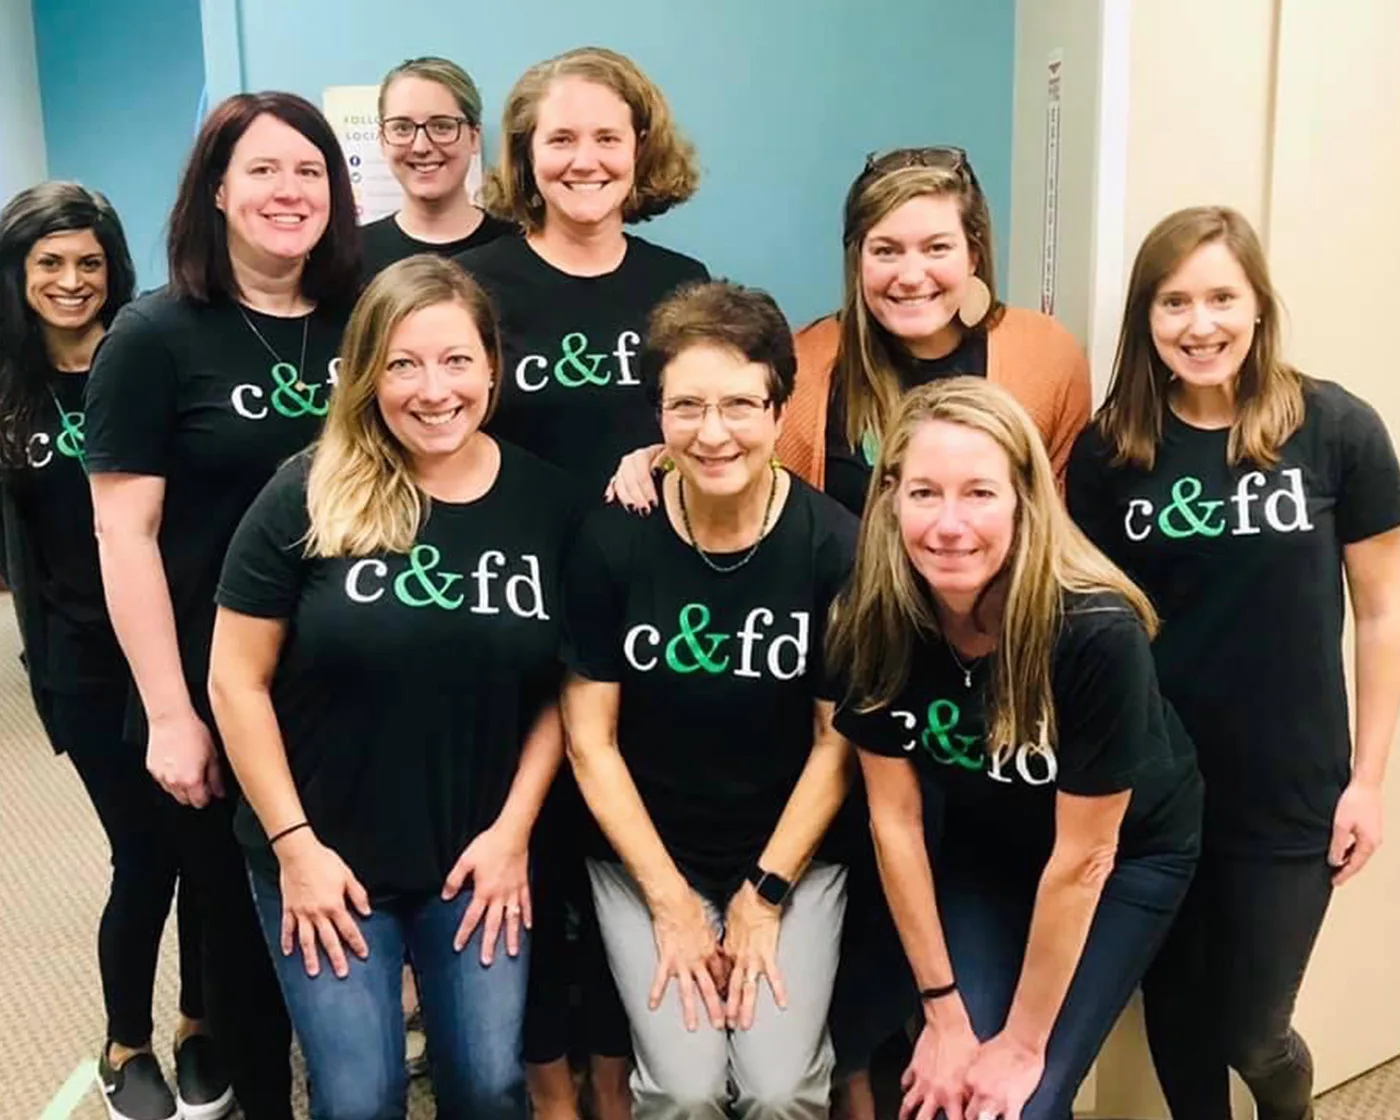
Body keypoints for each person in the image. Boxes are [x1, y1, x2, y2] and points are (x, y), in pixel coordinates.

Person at [208, 254, 569, 1119]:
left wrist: (514, 834)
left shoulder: (549, 505)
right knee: (358, 1097)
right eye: (403, 364)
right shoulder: (307, 492)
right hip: (325, 854)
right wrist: (295, 849)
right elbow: (234, 680)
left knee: (487, 1084)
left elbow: (568, 692)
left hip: (474, 854)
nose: (433, 390)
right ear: (367, 375)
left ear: (492, 366)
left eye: (456, 360)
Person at [1066, 205, 1400, 1120]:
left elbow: (1381, 615)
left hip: (1291, 785)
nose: (1200, 324)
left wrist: (1369, 781)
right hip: (1156, 784)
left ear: (1258, 306)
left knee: (1253, 1028)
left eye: (1222, 297)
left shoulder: (1336, 428)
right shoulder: (1110, 451)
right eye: (1174, 301)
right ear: (1146, 315)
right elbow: (1092, 625)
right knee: (1176, 1015)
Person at [84, 91, 361, 1120]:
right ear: (214, 189)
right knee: (237, 933)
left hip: (348, 682)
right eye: (263, 170)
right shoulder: (153, 335)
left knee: (344, 909)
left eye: (310, 171)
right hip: (215, 684)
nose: (290, 191)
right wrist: (170, 712)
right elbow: (124, 534)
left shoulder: (365, 316)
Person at [829, 377, 1202, 1120]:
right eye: (925, 493)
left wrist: (1024, 1046)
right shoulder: (872, 618)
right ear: (891, 499)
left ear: (1025, 500)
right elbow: (895, 821)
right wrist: (942, 1012)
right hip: (988, 850)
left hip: (1122, 858)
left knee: (1015, 1103)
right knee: (951, 1089)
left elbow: (1083, 859)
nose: (950, 525)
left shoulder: (1095, 630)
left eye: (979, 493)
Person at [460, 45, 707, 1118]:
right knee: (536, 861)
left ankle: (614, 1075)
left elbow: (713, 426)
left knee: (619, 856)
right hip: (506, 611)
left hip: (639, 621)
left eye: (607, 137)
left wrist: (660, 452)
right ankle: (546, 1079)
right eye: (559, 138)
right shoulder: (479, 284)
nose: (584, 159)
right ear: (525, 154)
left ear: (640, 149)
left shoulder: (680, 284)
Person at [561, 280, 856, 1120]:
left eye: (739, 405)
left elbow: (836, 743)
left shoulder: (833, 545)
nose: (713, 432)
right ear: (656, 414)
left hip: (793, 855)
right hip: (647, 852)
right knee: (686, 1091)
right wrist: (670, 903)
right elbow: (590, 741)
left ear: (778, 408)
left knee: (777, 1091)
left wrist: (763, 896)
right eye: (686, 406)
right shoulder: (614, 539)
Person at [0, 183, 232, 1120]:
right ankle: (124, 1040)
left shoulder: (145, 358)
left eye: (89, 262)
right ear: (17, 274)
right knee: (144, 857)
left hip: (179, 649)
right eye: (50, 263)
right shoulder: (9, 391)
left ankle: (199, 1023)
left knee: (208, 856)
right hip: (85, 671)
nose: (72, 280)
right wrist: (45, 676)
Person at [760, 147, 1090, 516]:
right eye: (886, 251)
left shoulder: (1047, 357)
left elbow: (1061, 528)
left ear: (974, 256)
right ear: (858, 260)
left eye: (937, 248)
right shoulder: (799, 368)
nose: (911, 276)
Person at [359, 56, 514, 280]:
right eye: (402, 128)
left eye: (441, 126)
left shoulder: (519, 249)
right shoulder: (351, 257)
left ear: (474, 138)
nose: (421, 147)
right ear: (382, 140)